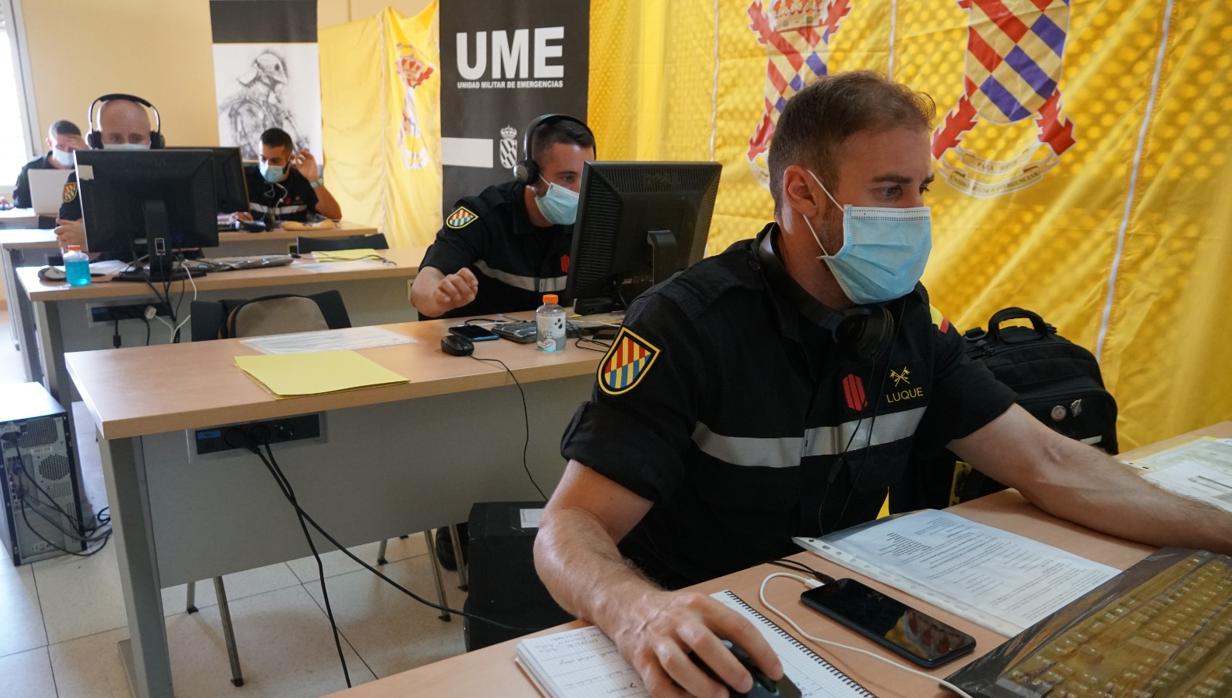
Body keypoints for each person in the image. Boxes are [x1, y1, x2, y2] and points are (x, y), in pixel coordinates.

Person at [533, 71, 1232, 698]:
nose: (916, 215)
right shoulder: (687, 324)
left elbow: (1047, 461)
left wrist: (1221, 530)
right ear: (802, 192)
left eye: (920, 189)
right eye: (890, 191)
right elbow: (568, 526)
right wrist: (641, 613)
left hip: (834, 618)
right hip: (698, 630)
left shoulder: (903, 317)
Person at [410, 114, 596, 319]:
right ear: (530, 176)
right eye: (567, 177)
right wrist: (437, 299)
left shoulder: (593, 220)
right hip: (482, 347)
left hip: (554, 344)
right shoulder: (483, 215)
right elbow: (423, 286)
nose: (580, 190)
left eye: (587, 175)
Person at [53, 96, 162, 251]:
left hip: (175, 271)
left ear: (153, 141)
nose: (126, 145)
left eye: (136, 139)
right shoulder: (80, 178)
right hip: (107, 273)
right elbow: (68, 243)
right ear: (96, 141)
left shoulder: (176, 175)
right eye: (116, 138)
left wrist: (95, 237)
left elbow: (190, 243)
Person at [235, 127, 341, 224]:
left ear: (290, 159)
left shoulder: (302, 181)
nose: (267, 166)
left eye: (275, 160)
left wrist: (314, 179)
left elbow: (335, 216)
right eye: (263, 158)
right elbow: (222, 213)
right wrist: (232, 217)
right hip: (253, 243)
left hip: (291, 243)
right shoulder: (243, 178)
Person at [0, 120, 86, 210]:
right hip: (41, 224)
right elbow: (20, 205)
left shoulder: (88, 166)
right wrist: (4, 204)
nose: (66, 151)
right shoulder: (31, 169)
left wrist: (88, 153)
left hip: (78, 224)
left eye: (72, 148)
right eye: (60, 146)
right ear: (49, 143)